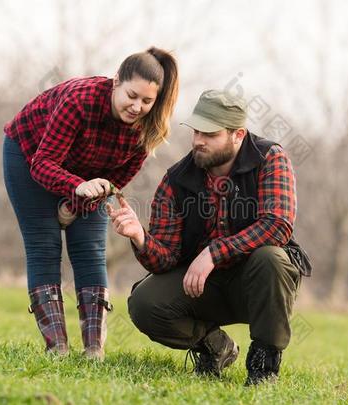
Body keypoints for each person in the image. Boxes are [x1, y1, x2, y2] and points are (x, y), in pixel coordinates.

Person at [107, 89, 311, 385]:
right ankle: (217, 348)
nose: (198, 140)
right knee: (144, 303)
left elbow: (277, 225)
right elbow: (165, 258)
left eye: (210, 134)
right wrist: (140, 237)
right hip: (203, 286)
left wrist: (215, 253)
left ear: (238, 134)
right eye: (196, 131)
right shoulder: (176, 180)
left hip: (259, 283)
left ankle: (263, 368)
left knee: (271, 257)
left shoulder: (270, 158)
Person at [2, 47, 179, 360]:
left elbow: (116, 181)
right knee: (44, 245)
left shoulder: (146, 129)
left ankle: (93, 350)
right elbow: (43, 163)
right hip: (30, 154)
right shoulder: (79, 101)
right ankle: (57, 348)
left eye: (147, 101)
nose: (137, 106)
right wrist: (76, 187)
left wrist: (76, 204)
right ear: (115, 83)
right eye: (131, 95)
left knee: (90, 250)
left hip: (87, 177)